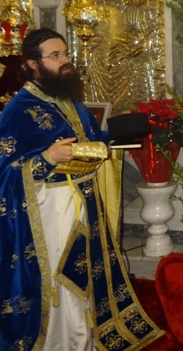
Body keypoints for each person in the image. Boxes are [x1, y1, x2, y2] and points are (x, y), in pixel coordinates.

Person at [0, 28, 163, 350]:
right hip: (51, 210)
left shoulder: (68, 100)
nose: (65, 61)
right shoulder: (18, 110)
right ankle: (61, 342)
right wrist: (47, 158)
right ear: (32, 64)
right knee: (62, 276)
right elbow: (6, 171)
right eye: (55, 56)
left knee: (86, 272)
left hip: (86, 202)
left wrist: (123, 136)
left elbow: (91, 139)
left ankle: (85, 339)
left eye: (65, 54)